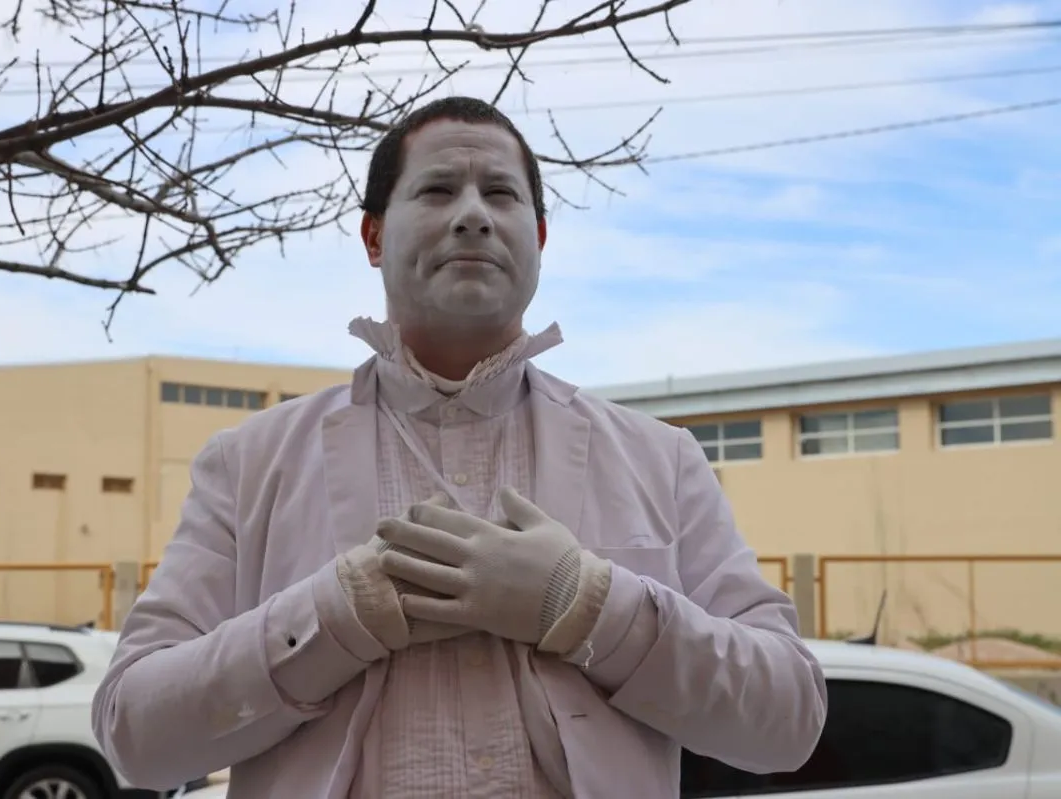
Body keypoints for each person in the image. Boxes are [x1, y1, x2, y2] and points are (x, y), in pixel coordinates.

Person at [91, 95, 827, 798]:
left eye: (501, 195)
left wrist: (587, 604)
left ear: (538, 238)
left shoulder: (659, 459)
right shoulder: (250, 463)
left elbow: (787, 720)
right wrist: (332, 618)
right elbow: (135, 734)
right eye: (439, 190)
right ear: (373, 236)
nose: (473, 215)